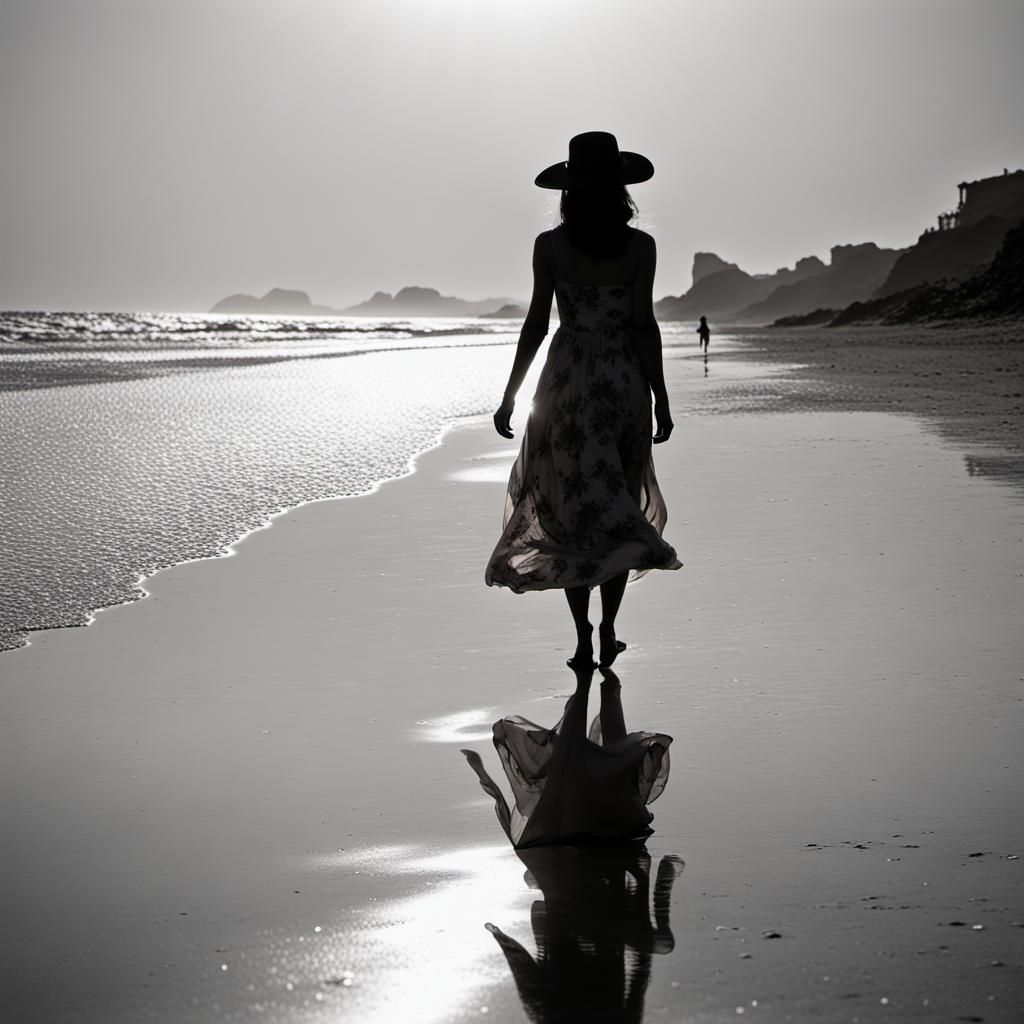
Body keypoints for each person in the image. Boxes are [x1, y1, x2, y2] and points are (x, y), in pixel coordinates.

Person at [485, 131, 680, 669]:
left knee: (570, 510)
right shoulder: (640, 247)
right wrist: (661, 397)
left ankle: (581, 638)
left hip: (565, 387)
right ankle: (610, 627)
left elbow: (535, 325)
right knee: (615, 508)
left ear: (569, 190)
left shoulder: (550, 247)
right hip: (621, 383)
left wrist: (510, 396)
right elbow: (643, 324)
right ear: (621, 189)